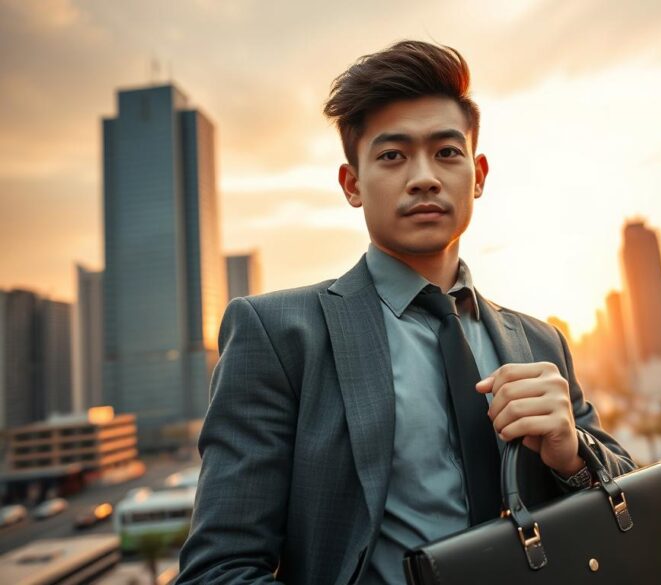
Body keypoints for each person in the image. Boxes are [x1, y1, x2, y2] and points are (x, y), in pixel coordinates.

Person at [177, 40, 635, 585]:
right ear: (352, 184)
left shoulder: (541, 341)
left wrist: (573, 457)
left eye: (447, 152)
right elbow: (218, 571)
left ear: (479, 175)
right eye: (393, 156)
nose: (424, 177)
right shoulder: (279, 335)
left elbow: (627, 505)